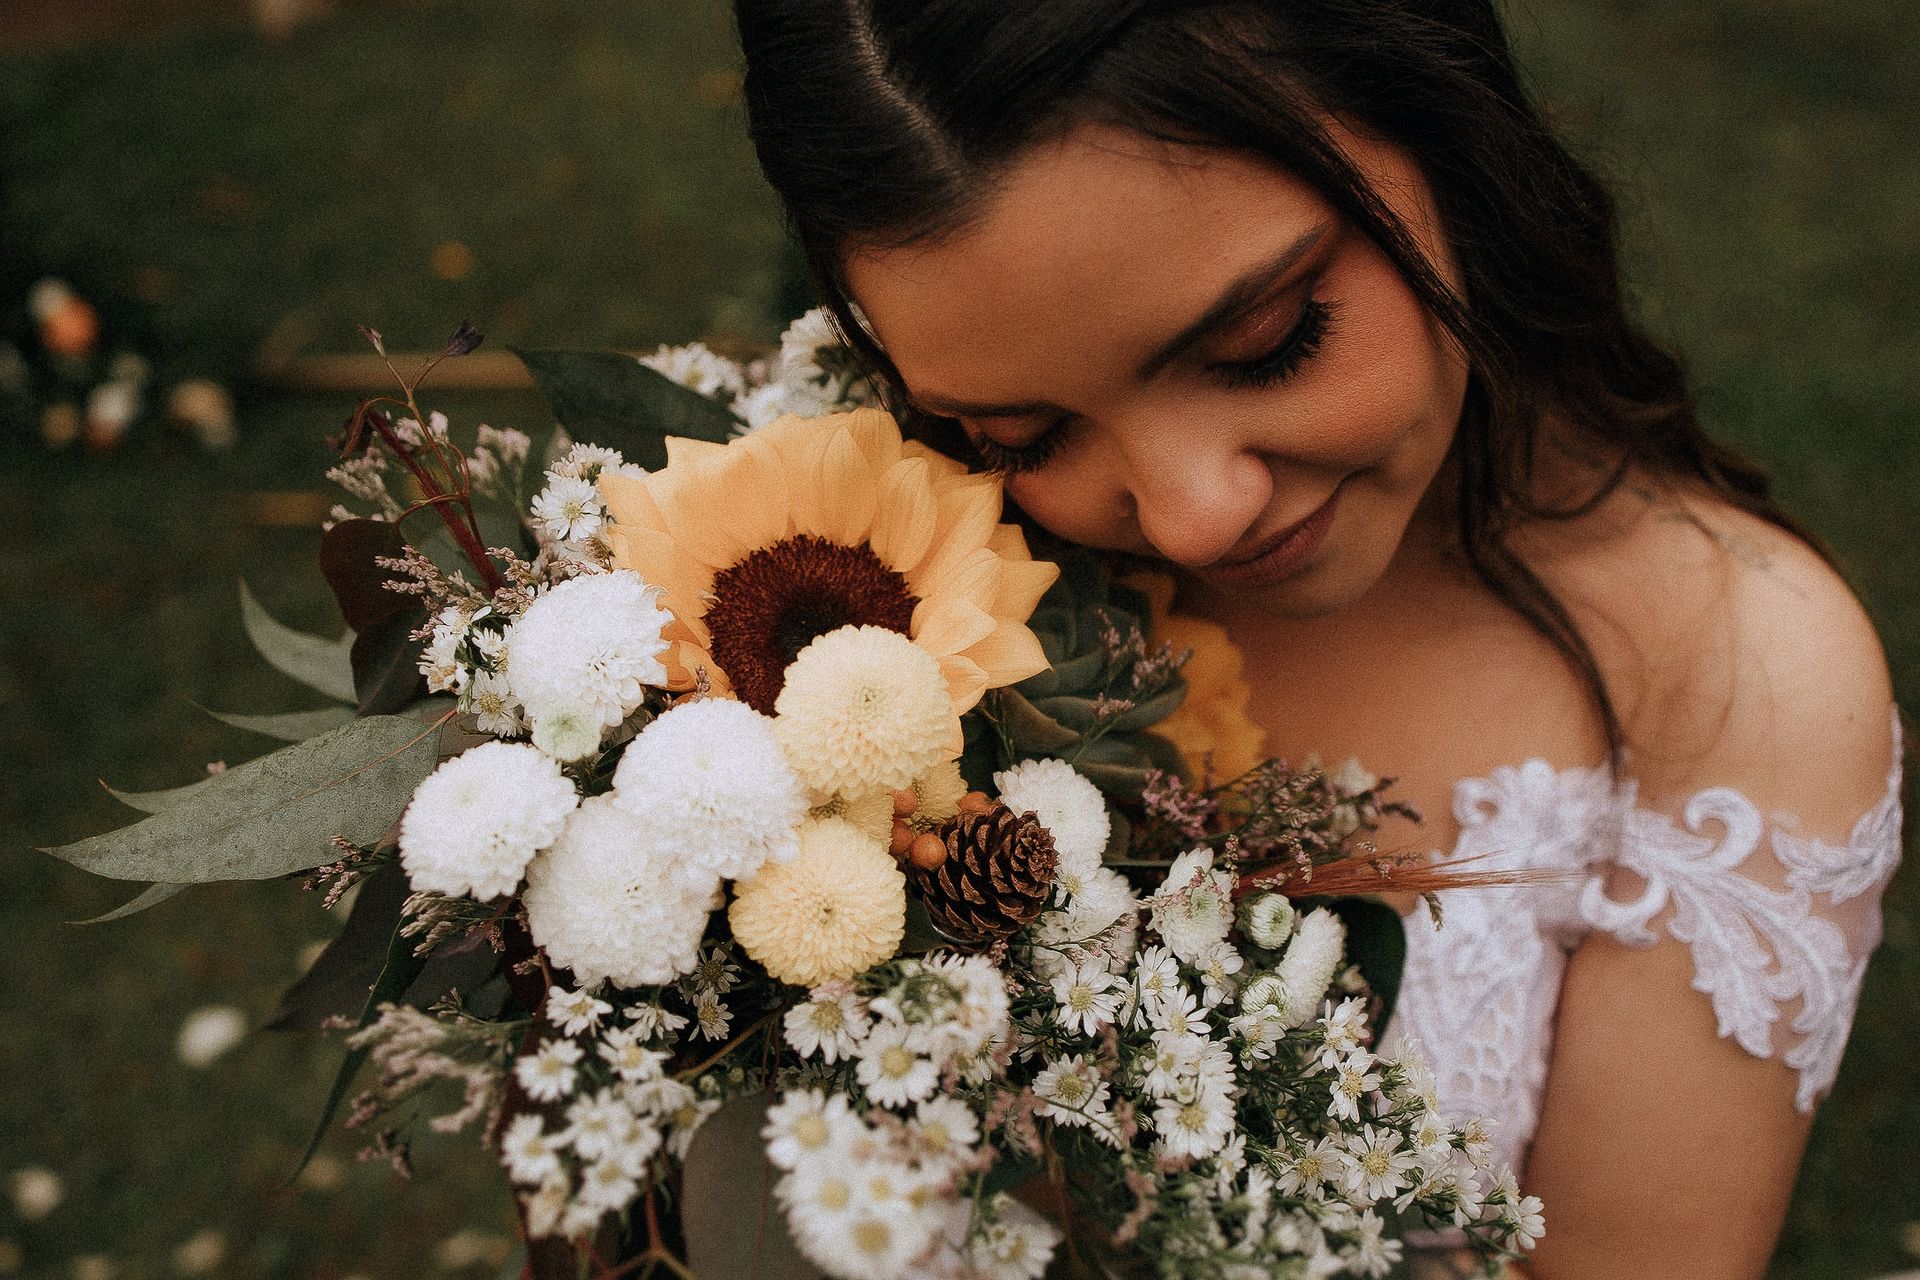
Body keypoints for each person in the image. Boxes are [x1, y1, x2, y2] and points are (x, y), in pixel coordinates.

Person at [691, 2, 1905, 1276]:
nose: (1193, 515)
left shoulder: (1730, 674)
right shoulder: (835, 579)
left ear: (1448, 133)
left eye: (1270, 340)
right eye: (1021, 436)